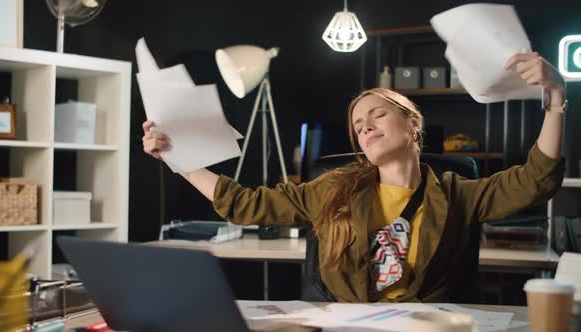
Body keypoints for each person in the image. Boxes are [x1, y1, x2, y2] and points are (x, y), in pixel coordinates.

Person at [142, 52, 567, 303]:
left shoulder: (457, 193)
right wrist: (174, 156)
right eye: (358, 124)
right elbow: (247, 204)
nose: (365, 127)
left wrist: (556, 98)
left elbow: (536, 181)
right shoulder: (333, 189)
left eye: (377, 114)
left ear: (412, 123)